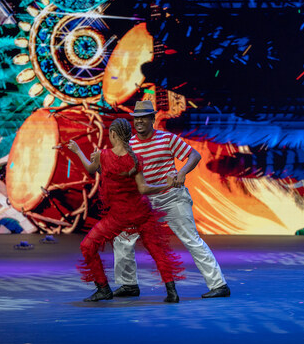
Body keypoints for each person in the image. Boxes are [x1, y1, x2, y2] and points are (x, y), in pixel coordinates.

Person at [112, 100, 230, 299]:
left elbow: (194, 155)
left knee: (191, 239)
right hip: (145, 201)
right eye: (136, 118)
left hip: (172, 198)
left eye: (143, 118)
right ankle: (128, 284)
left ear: (152, 119)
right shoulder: (129, 145)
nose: (139, 121)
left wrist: (182, 172)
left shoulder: (166, 139)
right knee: (122, 239)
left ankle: (219, 284)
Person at [67, 118, 183, 303]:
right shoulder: (135, 159)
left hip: (119, 216)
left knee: (87, 246)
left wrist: (77, 150)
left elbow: (90, 169)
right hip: (141, 211)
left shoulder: (103, 155)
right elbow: (143, 188)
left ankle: (103, 288)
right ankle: (172, 291)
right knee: (156, 250)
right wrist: (166, 184)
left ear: (113, 134)